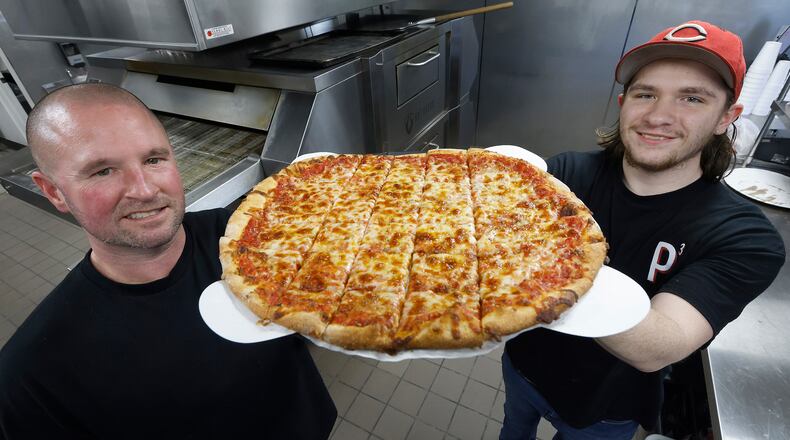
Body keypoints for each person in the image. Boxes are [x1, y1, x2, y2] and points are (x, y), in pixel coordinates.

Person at [0, 83, 337, 439]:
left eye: (153, 159)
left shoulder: (256, 237)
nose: (144, 190)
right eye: (102, 171)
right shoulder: (31, 377)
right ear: (53, 191)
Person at [500, 20, 785, 439]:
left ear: (727, 116)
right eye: (645, 93)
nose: (658, 116)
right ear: (623, 101)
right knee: (512, 430)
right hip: (523, 365)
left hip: (606, 407)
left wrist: (548, 257)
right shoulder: (566, 174)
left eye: (692, 98)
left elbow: (657, 346)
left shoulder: (744, 239)